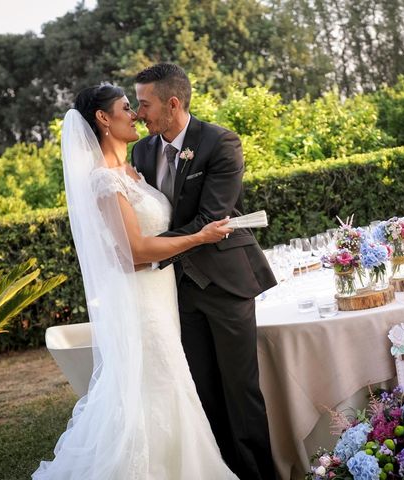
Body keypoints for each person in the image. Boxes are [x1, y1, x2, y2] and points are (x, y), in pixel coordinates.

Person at [32, 83, 239, 479]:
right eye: (126, 107)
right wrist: (200, 236)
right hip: (141, 302)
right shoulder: (105, 181)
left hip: (162, 296)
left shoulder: (134, 172)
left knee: (166, 386)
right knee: (159, 386)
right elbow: (135, 252)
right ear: (104, 119)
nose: (136, 114)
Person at [133, 63, 277, 480]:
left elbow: (211, 220)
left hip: (224, 283)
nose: (140, 113)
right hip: (175, 291)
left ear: (172, 103)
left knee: (241, 392)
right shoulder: (141, 152)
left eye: (145, 104)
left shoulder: (219, 142)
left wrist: (148, 252)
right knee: (203, 395)